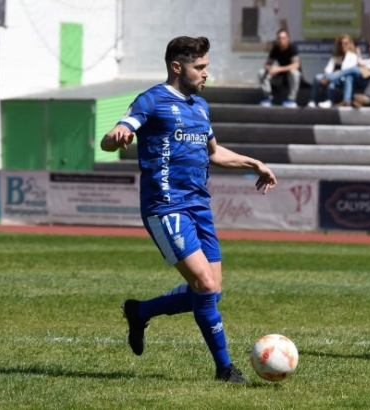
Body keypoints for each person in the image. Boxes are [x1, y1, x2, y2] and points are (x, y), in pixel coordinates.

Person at [100, 36, 278, 382]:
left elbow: (214, 153)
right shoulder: (152, 100)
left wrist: (254, 163)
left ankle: (140, 311)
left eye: (206, 67)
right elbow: (114, 136)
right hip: (165, 205)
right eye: (200, 67)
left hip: (199, 206)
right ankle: (225, 368)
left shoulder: (200, 106)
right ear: (177, 67)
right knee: (205, 284)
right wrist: (117, 135)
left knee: (212, 290)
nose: (206, 74)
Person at [307, 34, 359, 108]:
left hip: (342, 78)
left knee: (330, 82)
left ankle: (330, 100)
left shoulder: (353, 56)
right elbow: (328, 69)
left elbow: (348, 70)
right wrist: (329, 75)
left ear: (350, 44)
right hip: (331, 76)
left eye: (346, 43)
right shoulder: (336, 57)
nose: (343, 45)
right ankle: (312, 100)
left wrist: (335, 74)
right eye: (341, 44)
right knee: (317, 77)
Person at [258, 29, 301, 108]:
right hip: (280, 78)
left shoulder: (292, 48)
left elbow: (296, 65)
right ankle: (268, 97)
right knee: (261, 72)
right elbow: (267, 64)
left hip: (291, 79)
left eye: (283, 38)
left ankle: (291, 100)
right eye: (279, 38)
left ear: (288, 39)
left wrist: (279, 69)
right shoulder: (275, 49)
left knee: (294, 73)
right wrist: (270, 69)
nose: (281, 40)